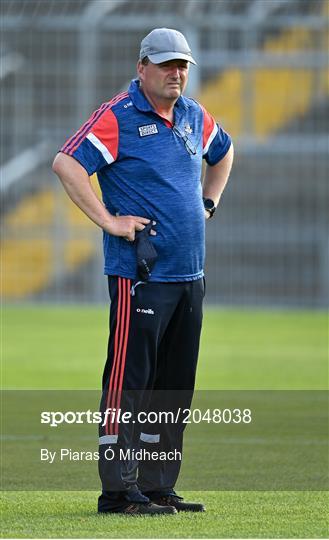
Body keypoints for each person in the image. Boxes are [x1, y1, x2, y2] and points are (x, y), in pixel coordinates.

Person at [52, 27, 234, 515]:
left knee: (174, 385)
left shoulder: (194, 115)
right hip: (141, 275)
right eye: (167, 64)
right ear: (142, 67)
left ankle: (156, 485)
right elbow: (67, 163)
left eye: (184, 66)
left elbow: (225, 151)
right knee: (130, 383)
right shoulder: (119, 115)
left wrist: (208, 204)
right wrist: (109, 221)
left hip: (190, 276)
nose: (177, 73)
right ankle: (117, 491)